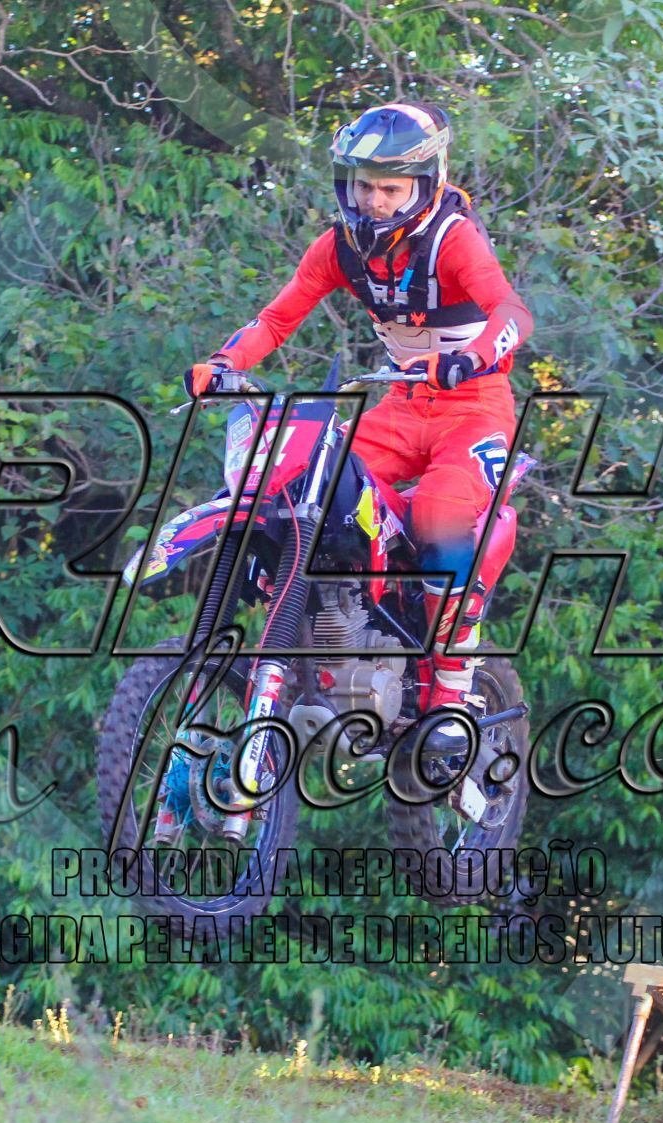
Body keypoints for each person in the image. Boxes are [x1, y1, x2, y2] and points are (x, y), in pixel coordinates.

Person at [183, 101, 534, 717]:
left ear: (426, 183)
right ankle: (326, 633)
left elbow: (513, 312)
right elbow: (276, 319)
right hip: (401, 405)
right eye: (363, 185)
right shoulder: (340, 248)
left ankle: (452, 694)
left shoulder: (453, 240)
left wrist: (472, 357)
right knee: (294, 483)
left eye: (390, 189)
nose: (373, 201)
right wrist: (224, 362)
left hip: (474, 405)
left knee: (439, 514)